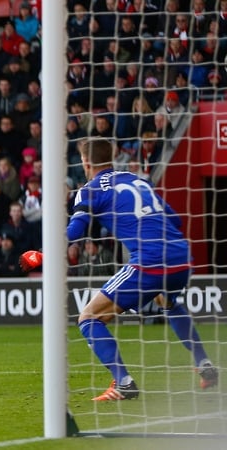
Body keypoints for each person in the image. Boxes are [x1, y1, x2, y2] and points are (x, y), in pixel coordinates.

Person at [20, 138, 218, 401]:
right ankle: (204, 364)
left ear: (85, 162)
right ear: (111, 158)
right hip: (181, 256)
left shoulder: (90, 189)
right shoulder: (138, 180)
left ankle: (123, 382)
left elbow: (75, 232)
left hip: (149, 260)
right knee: (166, 300)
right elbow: (177, 220)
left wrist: (42, 254)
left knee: (88, 317)